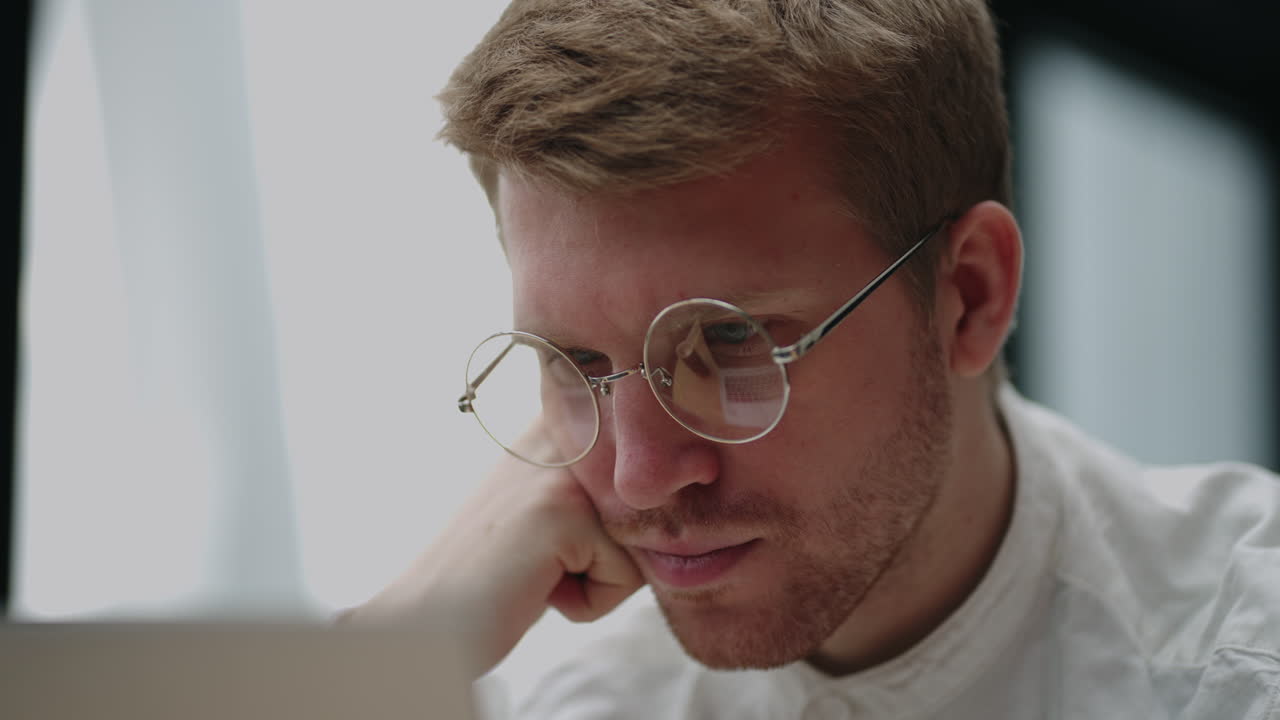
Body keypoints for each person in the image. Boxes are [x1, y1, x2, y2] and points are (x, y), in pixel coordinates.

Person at [343, 1, 1280, 717]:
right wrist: (390, 659)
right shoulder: (559, 689)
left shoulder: (1242, 662)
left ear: (971, 296)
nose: (639, 478)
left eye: (728, 340)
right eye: (575, 361)